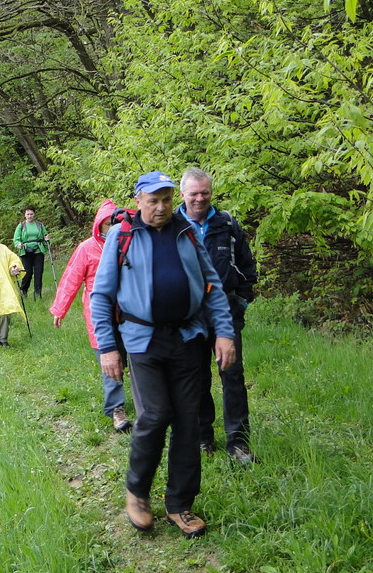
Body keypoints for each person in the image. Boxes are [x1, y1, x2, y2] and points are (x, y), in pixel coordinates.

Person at [90, 170, 236, 539]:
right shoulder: (122, 235)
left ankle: (179, 503)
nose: (161, 207)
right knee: (155, 414)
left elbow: (212, 286)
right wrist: (108, 347)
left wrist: (224, 333)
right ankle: (137, 492)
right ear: (138, 200)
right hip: (142, 340)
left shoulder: (187, 232)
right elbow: (101, 296)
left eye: (167, 199)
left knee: (189, 421)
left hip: (188, 337)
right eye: (153, 200)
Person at [178, 168, 259, 465]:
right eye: (194, 193)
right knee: (196, 376)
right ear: (182, 195)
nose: (200, 198)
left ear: (211, 192)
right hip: (188, 315)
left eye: (205, 192)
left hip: (226, 311)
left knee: (232, 374)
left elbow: (247, 264)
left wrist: (243, 301)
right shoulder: (171, 226)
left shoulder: (227, 224)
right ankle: (203, 438)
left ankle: (238, 442)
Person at [49, 199, 133, 433]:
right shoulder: (87, 248)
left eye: (114, 223)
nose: (111, 228)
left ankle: (148, 405)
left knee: (137, 359)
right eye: (107, 224)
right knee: (110, 361)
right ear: (99, 225)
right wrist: (60, 308)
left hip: (129, 312)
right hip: (100, 315)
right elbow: (71, 278)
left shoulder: (128, 242)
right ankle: (116, 408)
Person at [13, 206, 50, 298]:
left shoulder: (39, 225)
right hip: (25, 251)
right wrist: (18, 244)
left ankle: (38, 294)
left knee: (38, 272)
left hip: (38, 250)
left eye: (31, 214)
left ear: (34, 214)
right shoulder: (21, 226)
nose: (29, 216)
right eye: (28, 214)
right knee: (28, 273)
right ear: (25, 215)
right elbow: (16, 239)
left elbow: (45, 236)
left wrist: (47, 240)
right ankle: (24, 290)